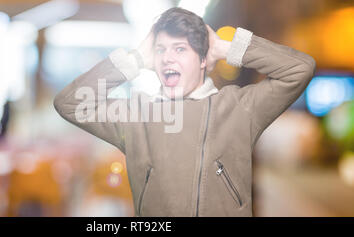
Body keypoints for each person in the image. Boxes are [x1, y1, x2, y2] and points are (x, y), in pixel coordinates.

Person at [54, 7, 316, 216]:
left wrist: (226, 47)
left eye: (180, 49)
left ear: (203, 59)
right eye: (160, 50)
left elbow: (299, 70)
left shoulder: (240, 107)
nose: (168, 58)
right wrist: (133, 60)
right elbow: (70, 103)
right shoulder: (138, 115)